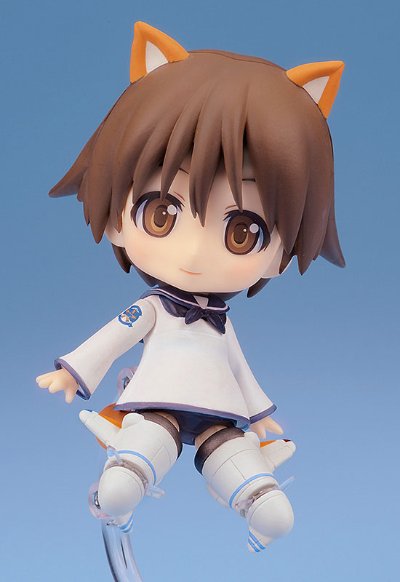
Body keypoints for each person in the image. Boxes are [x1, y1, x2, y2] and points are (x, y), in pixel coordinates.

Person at [36, 21, 345, 552]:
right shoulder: (153, 310)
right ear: (118, 216)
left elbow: (238, 368)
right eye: (162, 214)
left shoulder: (219, 326)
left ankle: (253, 492)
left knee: (269, 506)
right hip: (154, 404)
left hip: (219, 419)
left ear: (280, 252)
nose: (197, 254)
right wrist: (74, 373)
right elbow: (112, 337)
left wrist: (260, 417)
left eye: (243, 231)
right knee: (127, 477)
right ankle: (127, 475)